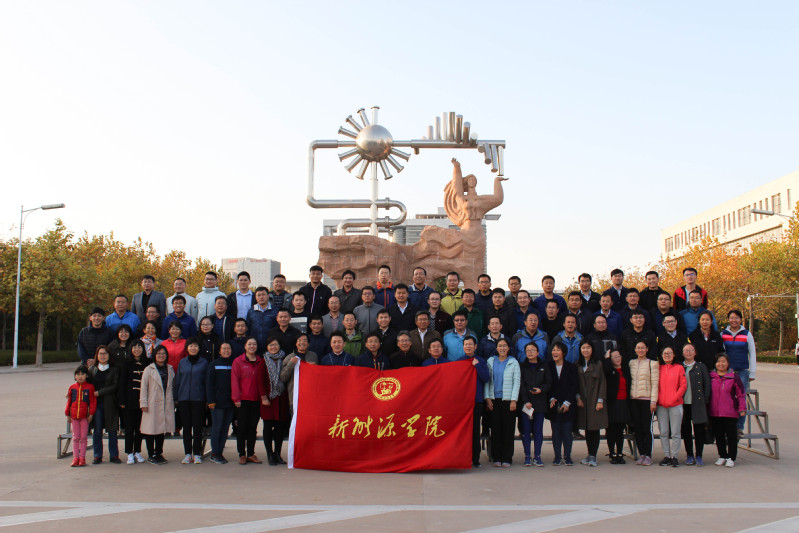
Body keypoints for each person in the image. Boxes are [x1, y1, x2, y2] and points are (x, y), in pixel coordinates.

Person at [231, 337, 268, 464]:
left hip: (256, 400)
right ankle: (242, 454)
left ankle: (251, 453)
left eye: (254, 344)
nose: (252, 346)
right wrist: (236, 398)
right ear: (245, 346)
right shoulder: (238, 361)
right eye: (249, 344)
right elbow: (234, 380)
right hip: (242, 400)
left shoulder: (260, 361)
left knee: (253, 428)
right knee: (242, 428)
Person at [485, 338, 520, 467]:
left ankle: (507, 458)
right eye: (500, 346)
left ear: (509, 348)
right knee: (495, 429)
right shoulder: (490, 361)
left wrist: (514, 400)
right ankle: (496, 457)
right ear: (496, 348)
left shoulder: (513, 362)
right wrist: (487, 398)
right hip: (494, 400)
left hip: (508, 400)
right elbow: (487, 381)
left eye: (505, 346)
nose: (502, 348)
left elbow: (516, 382)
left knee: (508, 429)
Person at [455, 335, 490, 468]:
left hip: (476, 401)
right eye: (466, 344)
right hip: (462, 402)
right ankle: (462, 457)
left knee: (475, 431)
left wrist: (477, 366)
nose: (468, 346)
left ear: (475, 346)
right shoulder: (459, 361)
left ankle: (475, 459)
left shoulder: (481, 361)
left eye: (470, 344)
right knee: (462, 431)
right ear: (463, 347)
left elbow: (486, 378)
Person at [720, 309, 756, 433]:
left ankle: (740, 426)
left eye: (736, 318)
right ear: (728, 319)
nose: (734, 320)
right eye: (731, 318)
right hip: (728, 371)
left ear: (740, 319)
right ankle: (728, 425)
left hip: (742, 371)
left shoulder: (747, 334)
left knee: (741, 398)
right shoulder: (723, 334)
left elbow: (752, 353)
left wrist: (752, 372)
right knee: (727, 398)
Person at [174, 337, 208, 464]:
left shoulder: (204, 362)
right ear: (187, 348)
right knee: (186, 428)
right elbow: (178, 381)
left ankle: (197, 453)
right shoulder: (182, 362)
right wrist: (176, 397)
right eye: (191, 346)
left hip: (198, 399)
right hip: (183, 399)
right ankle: (188, 453)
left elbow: (206, 382)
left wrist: (207, 398)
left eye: (195, 346)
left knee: (197, 427)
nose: (193, 348)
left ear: (199, 348)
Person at [139, 345, 175, 465]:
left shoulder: (170, 369)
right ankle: (151, 454)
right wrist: (143, 403)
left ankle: (159, 452)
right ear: (154, 355)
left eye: (163, 353)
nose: (161, 356)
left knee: (161, 429)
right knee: (150, 429)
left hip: (165, 402)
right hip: (152, 402)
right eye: (158, 353)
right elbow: (143, 387)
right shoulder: (149, 369)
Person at [709, 353, 746, 467]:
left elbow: (741, 394)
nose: (721, 364)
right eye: (719, 361)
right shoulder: (711, 376)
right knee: (719, 436)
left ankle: (731, 457)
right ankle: (722, 456)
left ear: (728, 363)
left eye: (723, 361)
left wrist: (742, 408)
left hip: (730, 412)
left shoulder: (734, 377)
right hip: (715, 412)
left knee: (731, 436)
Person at [575, 341, 607, 467]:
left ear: (592, 349)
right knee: (587, 428)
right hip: (583, 402)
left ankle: (593, 455)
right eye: (583, 348)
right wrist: (578, 398)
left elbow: (603, 383)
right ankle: (589, 454)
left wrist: (600, 400)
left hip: (594, 401)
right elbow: (574, 384)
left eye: (588, 348)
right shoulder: (577, 365)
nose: (586, 350)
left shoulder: (598, 364)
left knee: (594, 428)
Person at [519, 342, 551, 467]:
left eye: (533, 350)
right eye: (528, 350)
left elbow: (549, 383)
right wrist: (526, 400)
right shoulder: (522, 366)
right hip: (526, 404)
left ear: (538, 352)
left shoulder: (544, 366)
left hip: (540, 402)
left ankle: (537, 456)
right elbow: (521, 385)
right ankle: (527, 456)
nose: (530, 352)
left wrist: (541, 389)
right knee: (526, 431)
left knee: (538, 431)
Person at [547, 342, 578, 466]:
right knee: (556, 432)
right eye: (553, 350)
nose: (555, 352)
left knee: (567, 432)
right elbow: (547, 384)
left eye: (558, 350)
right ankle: (557, 456)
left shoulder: (571, 367)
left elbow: (574, 385)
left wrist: (567, 402)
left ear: (564, 353)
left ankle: (568, 456)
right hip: (554, 404)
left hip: (568, 404)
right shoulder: (549, 366)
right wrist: (551, 398)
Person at [88, 346, 121, 464]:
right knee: (97, 430)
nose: (103, 356)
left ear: (109, 355)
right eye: (100, 354)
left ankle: (114, 455)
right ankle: (97, 455)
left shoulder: (114, 369)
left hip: (110, 402)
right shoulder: (92, 370)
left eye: (105, 353)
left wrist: (100, 392)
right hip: (96, 404)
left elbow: (115, 385)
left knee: (112, 430)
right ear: (97, 356)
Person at [629, 341, 659, 466]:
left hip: (647, 400)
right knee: (637, 428)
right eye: (638, 348)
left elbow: (655, 383)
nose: (640, 350)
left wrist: (653, 401)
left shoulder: (653, 363)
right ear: (635, 349)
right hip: (634, 399)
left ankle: (648, 455)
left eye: (643, 348)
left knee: (647, 428)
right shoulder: (631, 363)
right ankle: (641, 453)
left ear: (647, 349)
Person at [681, 343, 712, 467]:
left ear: (695, 352)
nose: (688, 352)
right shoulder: (680, 367)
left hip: (697, 403)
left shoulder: (701, 367)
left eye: (691, 350)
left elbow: (707, 384)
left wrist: (705, 399)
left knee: (699, 431)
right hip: (683, 403)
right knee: (686, 431)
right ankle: (689, 455)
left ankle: (699, 455)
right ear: (682, 353)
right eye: (686, 350)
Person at [261, 337, 290, 465]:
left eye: (276, 344)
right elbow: (260, 381)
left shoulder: (284, 359)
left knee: (279, 428)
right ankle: (269, 454)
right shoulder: (263, 361)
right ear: (267, 347)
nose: (273, 347)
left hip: (281, 398)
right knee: (267, 428)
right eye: (271, 345)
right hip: (268, 399)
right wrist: (263, 397)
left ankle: (277, 453)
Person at [656, 346, 687, 467]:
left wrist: (676, 397)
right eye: (665, 353)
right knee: (663, 432)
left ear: (674, 355)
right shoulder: (659, 368)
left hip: (675, 404)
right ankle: (667, 455)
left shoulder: (679, 368)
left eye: (669, 353)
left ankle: (674, 456)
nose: (667, 355)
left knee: (675, 432)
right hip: (661, 405)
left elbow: (683, 385)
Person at [118, 339, 146, 465]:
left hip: (143, 401)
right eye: (134, 347)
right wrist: (122, 400)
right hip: (129, 401)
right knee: (129, 429)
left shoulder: (147, 363)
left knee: (140, 428)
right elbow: (122, 383)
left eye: (139, 347)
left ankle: (137, 452)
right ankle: (129, 452)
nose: (137, 349)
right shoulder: (126, 363)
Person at [206, 342, 235, 464]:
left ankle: (220, 451)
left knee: (225, 428)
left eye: (228, 348)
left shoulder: (234, 364)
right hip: (217, 403)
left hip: (230, 403)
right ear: (219, 351)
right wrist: (211, 401)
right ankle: (215, 453)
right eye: (224, 349)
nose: (226, 350)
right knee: (217, 428)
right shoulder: (214, 364)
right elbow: (209, 384)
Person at [603, 350, 631, 464]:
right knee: (611, 430)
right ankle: (612, 453)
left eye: (619, 356)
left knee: (620, 431)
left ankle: (619, 453)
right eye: (614, 357)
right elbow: (606, 370)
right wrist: (606, 359)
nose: (618, 359)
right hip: (612, 403)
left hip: (624, 403)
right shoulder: (609, 371)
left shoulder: (626, 370)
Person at [65, 365, 96, 467]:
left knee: (83, 437)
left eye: (82, 374)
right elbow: (69, 402)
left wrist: (91, 414)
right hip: (74, 417)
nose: (80, 376)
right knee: (75, 437)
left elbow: (92, 402)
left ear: (87, 375)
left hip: (84, 417)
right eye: (78, 374)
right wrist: (67, 414)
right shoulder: (72, 388)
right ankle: (75, 458)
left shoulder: (90, 388)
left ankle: (82, 458)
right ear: (75, 376)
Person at [280, 334, 319, 411]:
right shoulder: (289, 357)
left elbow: (318, 377)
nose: (302, 343)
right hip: (294, 397)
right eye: (299, 341)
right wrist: (291, 364)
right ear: (296, 343)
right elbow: (283, 377)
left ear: (308, 343)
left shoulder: (313, 356)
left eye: (304, 341)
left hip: (310, 397)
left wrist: (315, 368)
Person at [247, 286, 278, 352]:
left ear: (268, 296)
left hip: (271, 345)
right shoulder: (251, 311)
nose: (261, 297)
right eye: (258, 295)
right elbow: (248, 327)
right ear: (255, 297)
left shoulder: (275, 310)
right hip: (255, 345)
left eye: (263, 294)